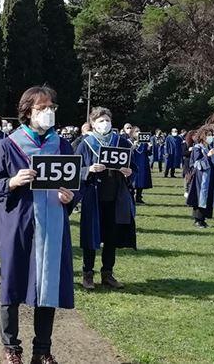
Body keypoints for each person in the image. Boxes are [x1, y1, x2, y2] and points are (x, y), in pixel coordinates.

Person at [0, 87, 77, 364]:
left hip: (52, 223)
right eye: (42, 108)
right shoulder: (8, 144)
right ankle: (11, 347)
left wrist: (70, 197)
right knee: (13, 283)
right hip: (18, 223)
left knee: (47, 285)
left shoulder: (62, 146)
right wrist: (12, 182)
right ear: (28, 112)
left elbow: (76, 184)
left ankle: (42, 349)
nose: (48, 112)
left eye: (51, 106)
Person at [77, 107, 136, 290]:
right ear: (93, 123)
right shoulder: (85, 143)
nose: (105, 123)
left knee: (111, 237)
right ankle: (88, 273)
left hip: (115, 195)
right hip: (93, 195)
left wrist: (129, 172)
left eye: (107, 120)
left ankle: (107, 273)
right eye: (100, 120)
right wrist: (88, 170)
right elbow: (74, 169)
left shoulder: (122, 142)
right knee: (90, 236)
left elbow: (134, 167)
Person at [186, 128, 214, 228]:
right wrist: (207, 156)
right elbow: (197, 163)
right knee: (200, 197)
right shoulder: (198, 147)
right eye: (208, 135)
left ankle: (203, 219)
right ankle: (198, 220)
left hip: (210, 177)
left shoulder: (210, 147)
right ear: (203, 136)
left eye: (211, 135)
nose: (210, 137)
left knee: (208, 198)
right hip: (201, 178)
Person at [130, 127, 152, 204]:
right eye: (136, 131)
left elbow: (148, 153)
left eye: (139, 131)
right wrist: (133, 146)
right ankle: (131, 197)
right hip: (134, 163)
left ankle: (139, 197)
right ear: (132, 133)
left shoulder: (144, 142)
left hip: (143, 163)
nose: (138, 132)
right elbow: (127, 153)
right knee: (133, 181)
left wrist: (150, 147)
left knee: (142, 180)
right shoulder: (129, 141)